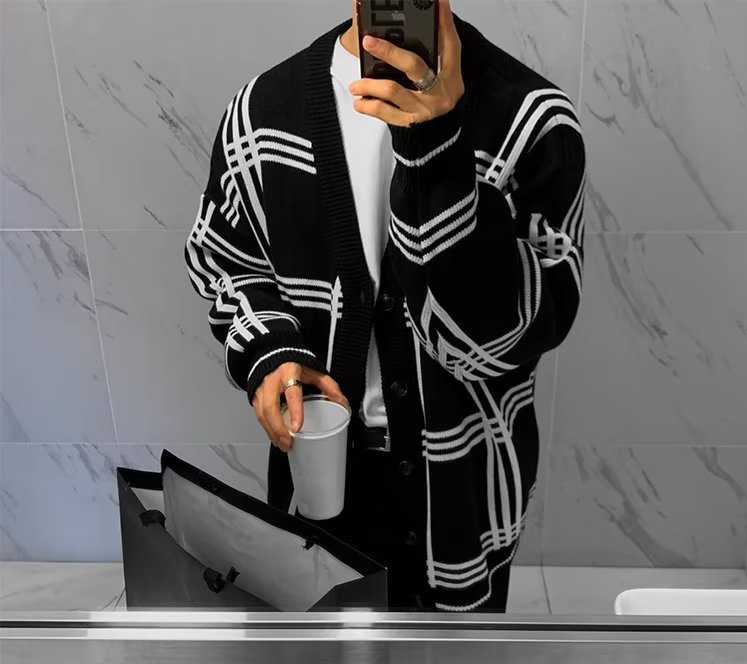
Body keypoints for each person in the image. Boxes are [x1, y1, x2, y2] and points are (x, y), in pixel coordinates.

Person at [185, 0, 586, 612]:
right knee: (322, 655)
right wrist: (270, 352)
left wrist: (436, 148)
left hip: (463, 481)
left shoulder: (532, 120)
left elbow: (495, 345)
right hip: (317, 465)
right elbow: (226, 261)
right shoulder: (262, 112)